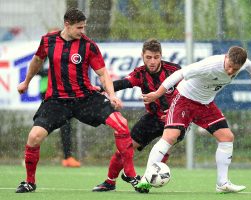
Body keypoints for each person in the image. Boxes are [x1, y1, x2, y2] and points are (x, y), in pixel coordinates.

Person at [15, 8, 139, 193]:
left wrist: (112, 95)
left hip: (85, 98)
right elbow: (37, 60)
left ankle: (130, 173)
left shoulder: (88, 45)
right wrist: (26, 82)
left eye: (84, 27)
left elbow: (103, 73)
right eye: (79, 28)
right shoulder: (48, 40)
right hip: (57, 101)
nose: (83, 31)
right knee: (34, 137)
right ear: (67, 24)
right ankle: (29, 182)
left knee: (121, 124)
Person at [137, 46, 251, 193]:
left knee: (227, 137)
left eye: (235, 69)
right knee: (170, 137)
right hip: (184, 99)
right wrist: (157, 94)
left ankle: (222, 183)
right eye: (229, 66)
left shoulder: (241, 62)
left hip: (205, 104)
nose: (230, 72)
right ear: (226, 57)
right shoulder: (209, 65)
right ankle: (146, 179)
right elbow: (179, 74)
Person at [92, 38, 181, 193]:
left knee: (163, 148)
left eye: (156, 57)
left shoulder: (174, 70)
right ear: (142, 56)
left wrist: (177, 111)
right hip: (152, 118)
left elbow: (187, 93)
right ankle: (110, 182)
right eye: (148, 57)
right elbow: (122, 84)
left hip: (175, 119)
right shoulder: (140, 74)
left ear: (161, 56)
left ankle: (144, 180)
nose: (152, 61)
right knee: (124, 148)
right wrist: (100, 88)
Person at [38, 64, 81, 167]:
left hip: (62, 91)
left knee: (65, 123)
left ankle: (67, 157)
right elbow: (37, 70)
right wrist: (55, 70)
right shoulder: (46, 52)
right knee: (46, 124)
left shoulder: (66, 52)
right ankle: (30, 153)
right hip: (48, 92)